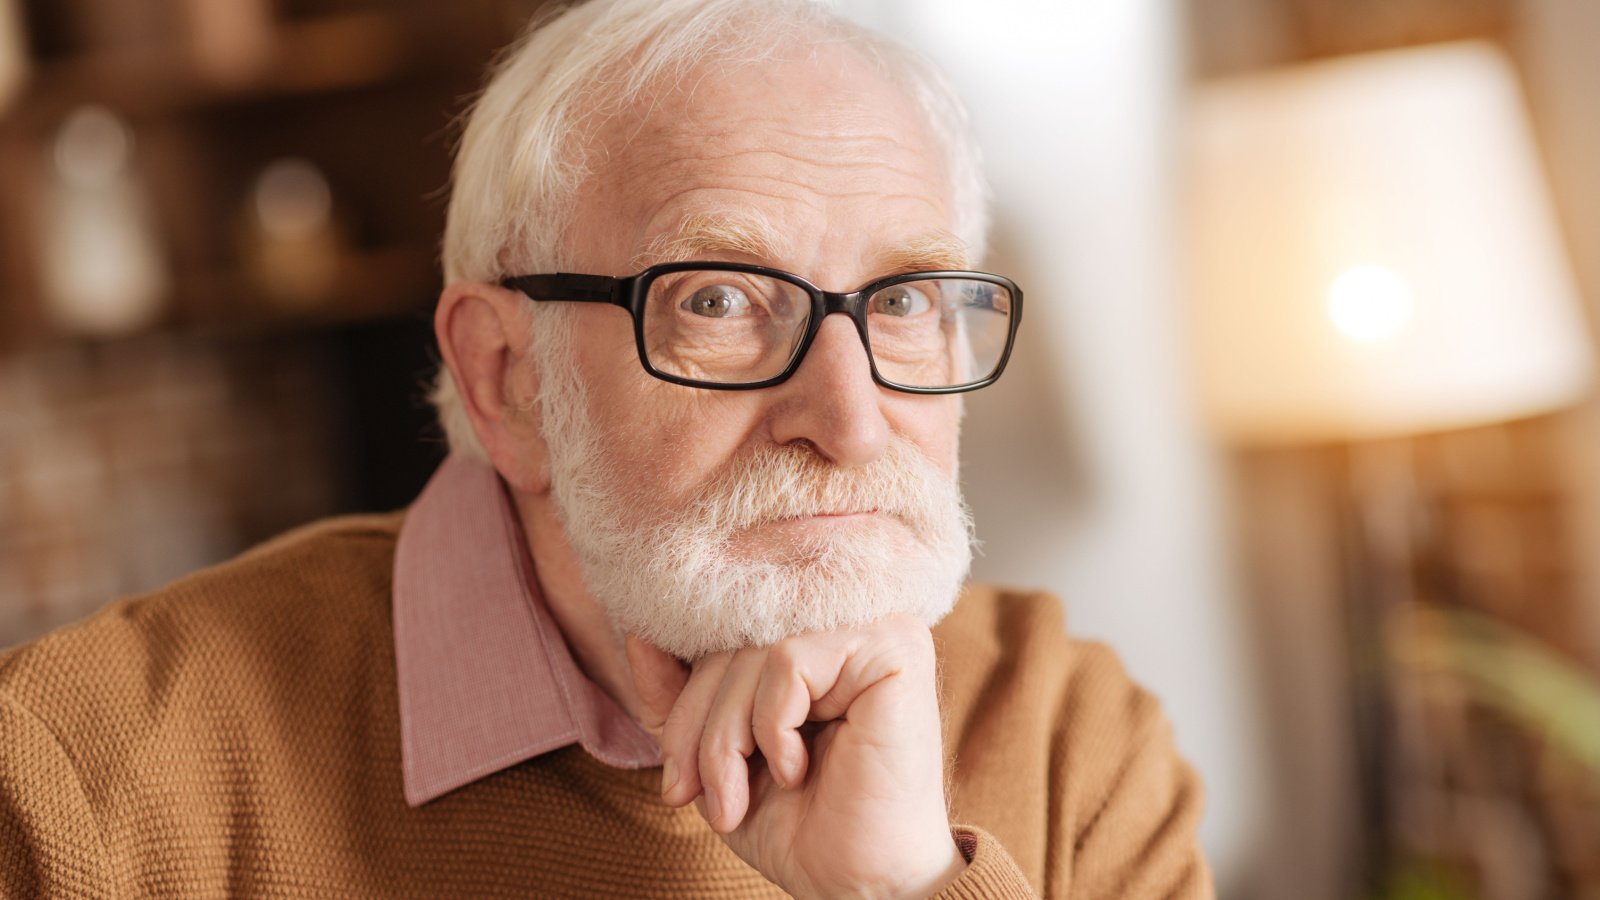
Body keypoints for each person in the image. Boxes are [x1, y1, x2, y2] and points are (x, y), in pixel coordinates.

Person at [0, 0, 1213, 896]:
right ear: (507, 380)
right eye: (722, 302)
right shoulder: (82, 780)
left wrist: (901, 891)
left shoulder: (1068, 741)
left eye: (900, 301)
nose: (847, 420)